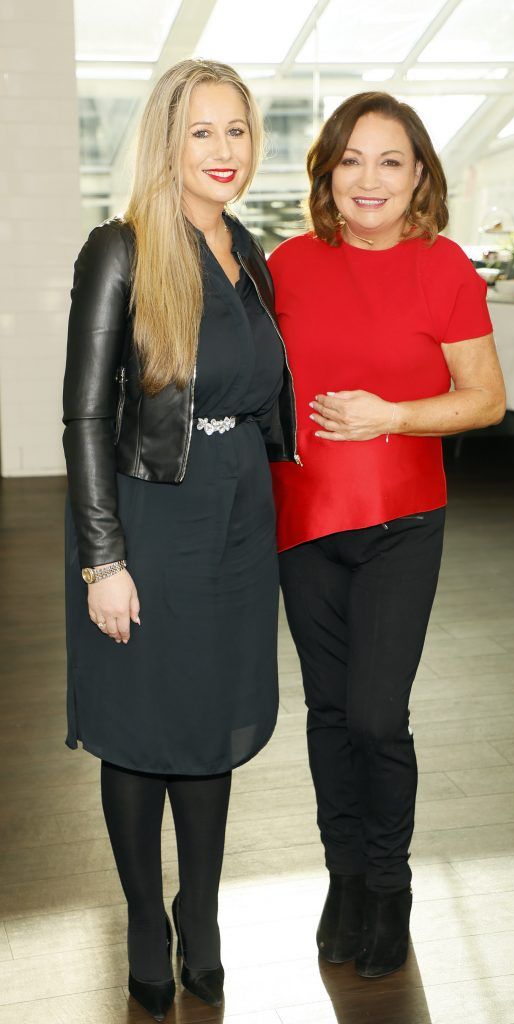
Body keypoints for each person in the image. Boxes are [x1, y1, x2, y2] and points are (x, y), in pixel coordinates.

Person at [63, 59, 298, 1020]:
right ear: (167, 141)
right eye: (201, 132)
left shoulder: (252, 252)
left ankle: (197, 915)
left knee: (208, 723)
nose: (223, 151)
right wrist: (103, 558)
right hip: (150, 515)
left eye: (236, 131)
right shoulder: (118, 249)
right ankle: (143, 924)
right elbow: (84, 415)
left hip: (240, 512)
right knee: (146, 722)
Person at [268, 92, 505, 980]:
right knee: (327, 715)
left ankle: (389, 880)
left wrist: (392, 415)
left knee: (375, 715)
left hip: (402, 522)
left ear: (418, 177)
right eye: (352, 159)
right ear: (327, 171)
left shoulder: (442, 266)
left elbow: (483, 398)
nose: (369, 179)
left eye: (390, 161)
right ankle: (344, 878)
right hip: (301, 520)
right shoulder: (285, 264)